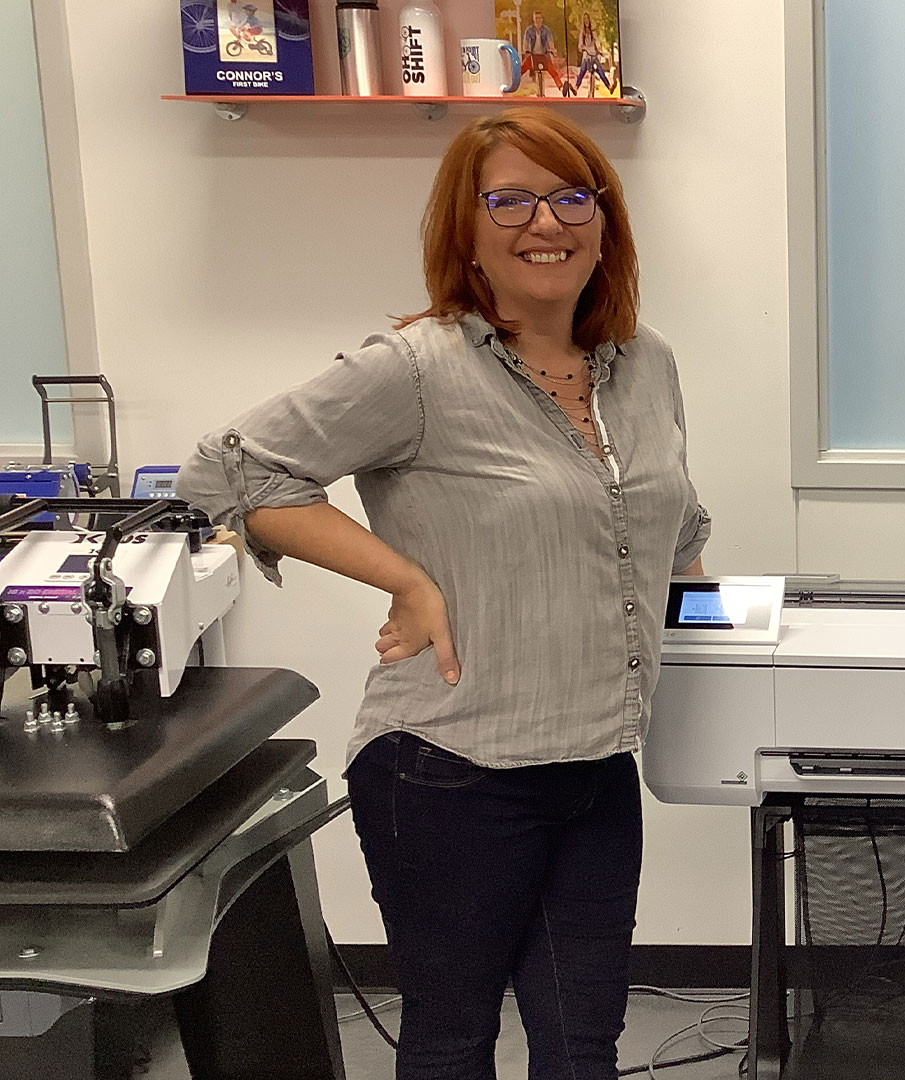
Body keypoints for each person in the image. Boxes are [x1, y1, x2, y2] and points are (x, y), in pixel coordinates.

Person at [177, 108, 710, 1080]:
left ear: (606, 220)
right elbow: (229, 471)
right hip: (451, 770)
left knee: (583, 1046)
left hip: (596, 769)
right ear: (465, 231)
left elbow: (679, 526)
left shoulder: (647, 363)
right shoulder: (418, 369)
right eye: (508, 199)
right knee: (453, 1039)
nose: (543, 221)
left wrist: (723, 623)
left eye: (570, 196)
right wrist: (404, 577)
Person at [521, 10, 565, 96]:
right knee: (522, 69)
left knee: (553, 72)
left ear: (542, 19)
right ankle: (513, 86)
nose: (538, 20)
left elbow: (550, 41)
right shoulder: (529, 30)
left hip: (544, 55)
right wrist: (525, 50)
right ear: (533, 19)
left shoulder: (546, 30)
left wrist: (552, 50)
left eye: (539, 18)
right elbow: (525, 42)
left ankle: (561, 88)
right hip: (533, 55)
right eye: (536, 18)